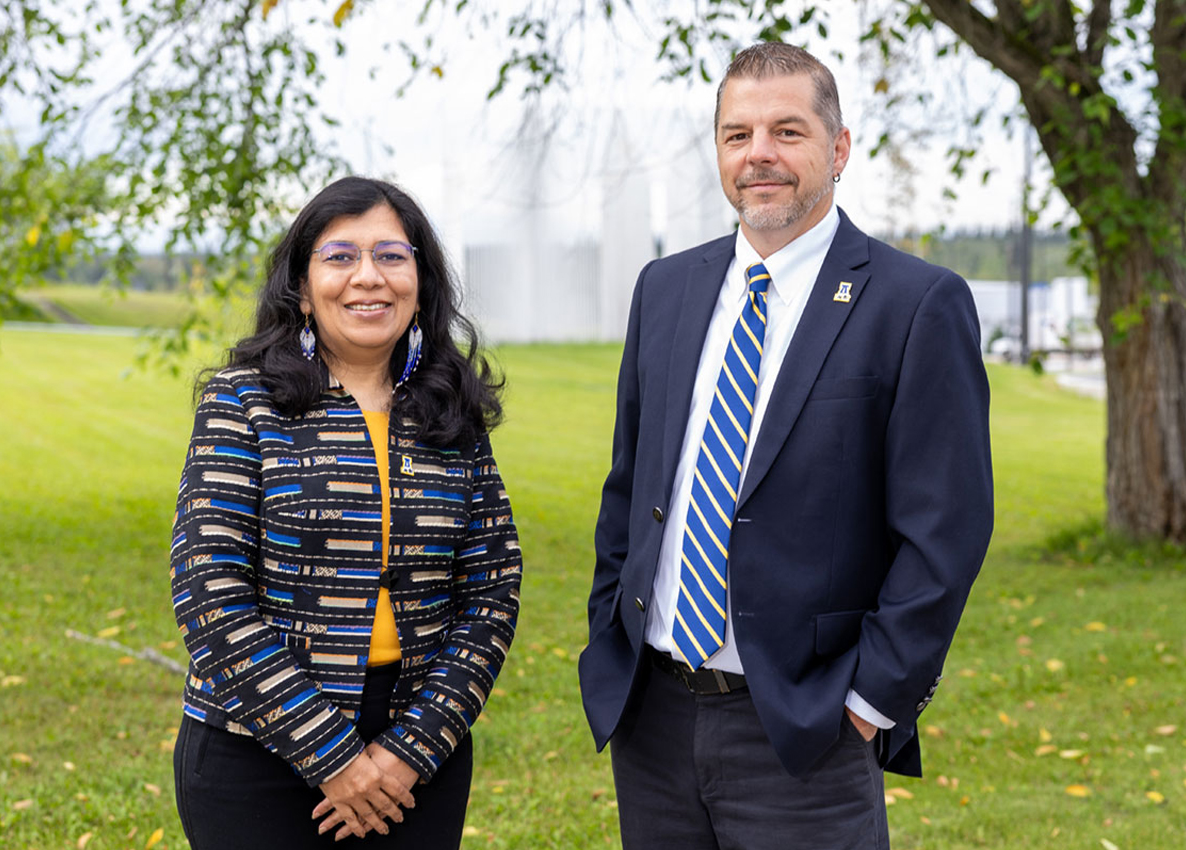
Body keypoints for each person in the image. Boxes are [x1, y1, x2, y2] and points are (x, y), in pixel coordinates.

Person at [579, 42, 993, 848]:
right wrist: (610, 629)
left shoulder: (915, 304)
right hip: (653, 718)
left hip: (806, 728)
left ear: (838, 149)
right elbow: (631, 484)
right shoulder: (665, 288)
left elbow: (946, 533)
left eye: (786, 131)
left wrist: (871, 704)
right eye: (737, 135)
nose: (758, 154)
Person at [170, 176, 522, 848]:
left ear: (420, 280)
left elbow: (494, 590)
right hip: (257, 755)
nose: (369, 277)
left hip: (417, 760)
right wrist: (332, 758)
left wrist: (410, 750)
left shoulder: (449, 412)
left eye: (392, 255)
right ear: (302, 288)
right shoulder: (242, 404)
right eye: (340, 257)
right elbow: (208, 592)